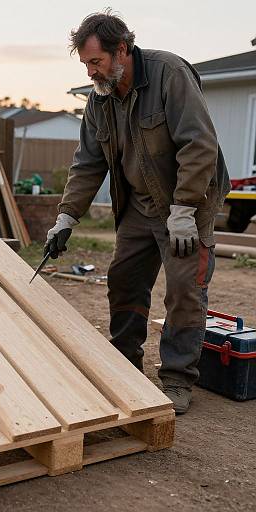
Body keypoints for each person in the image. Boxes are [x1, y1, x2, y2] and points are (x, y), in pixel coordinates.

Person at [45, 11, 230, 414]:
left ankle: (177, 379)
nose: (91, 71)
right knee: (123, 280)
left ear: (122, 50)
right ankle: (124, 367)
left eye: (96, 62)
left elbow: (199, 146)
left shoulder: (170, 74)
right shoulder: (99, 99)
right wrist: (67, 217)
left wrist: (183, 209)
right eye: (86, 64)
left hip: (186, 205)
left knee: (184, 291)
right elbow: (88, 163)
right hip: (138, 206)